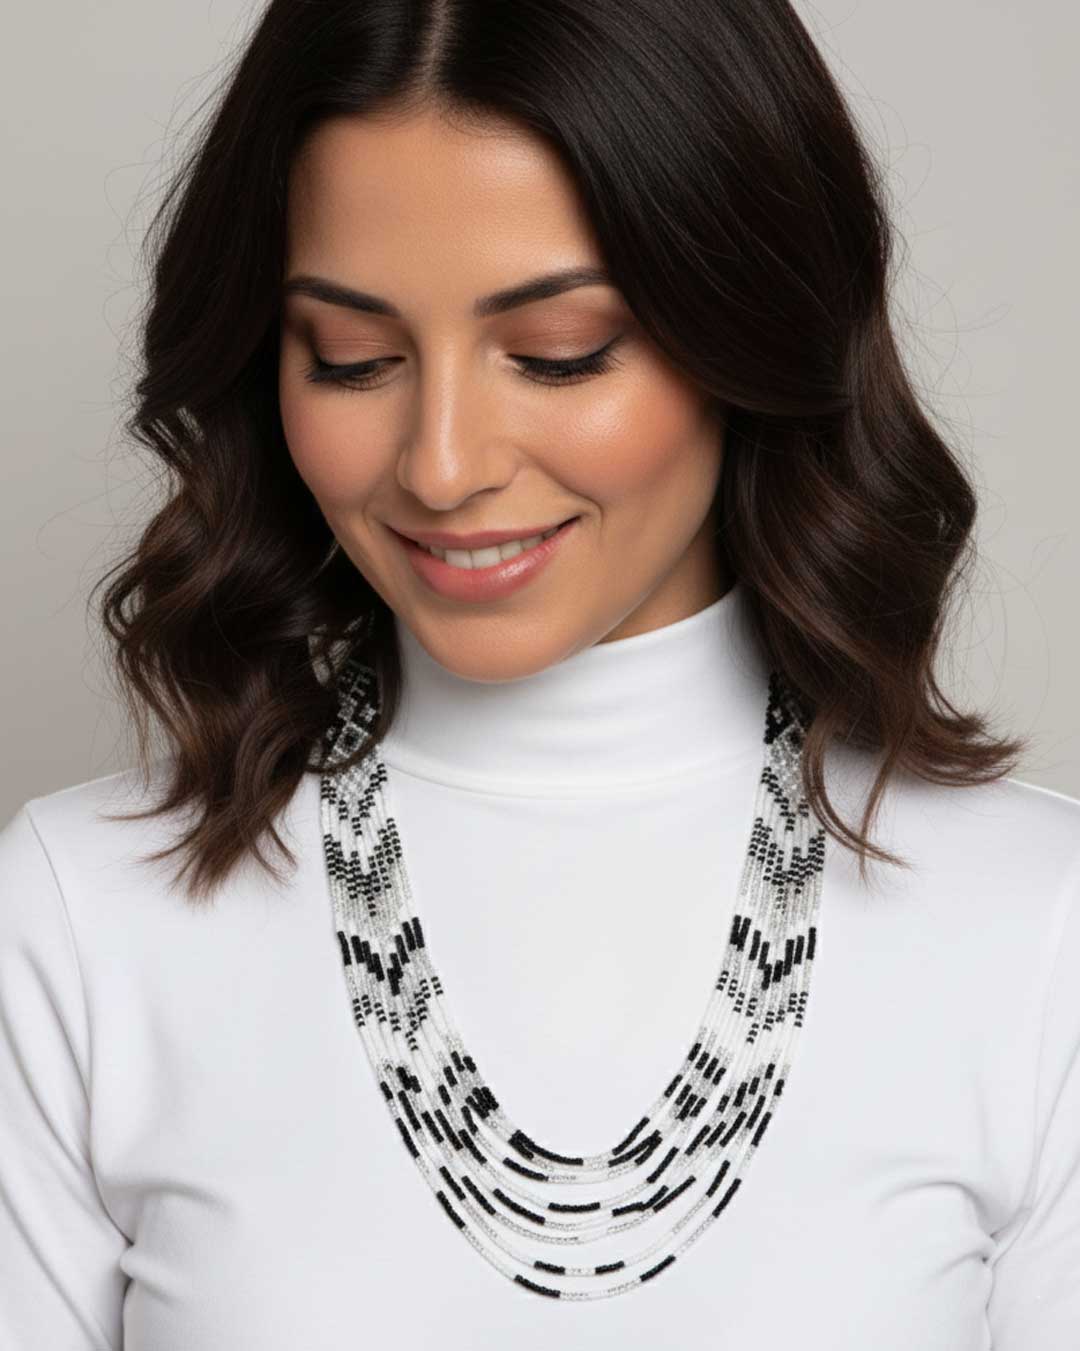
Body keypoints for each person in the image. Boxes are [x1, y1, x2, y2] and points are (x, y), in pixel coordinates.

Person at [2, 0, 1077, 1346]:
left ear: (747, 325)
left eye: (559, 354)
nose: (442, 464)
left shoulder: (1038, 931)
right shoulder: (83, 919)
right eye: (356, 360)